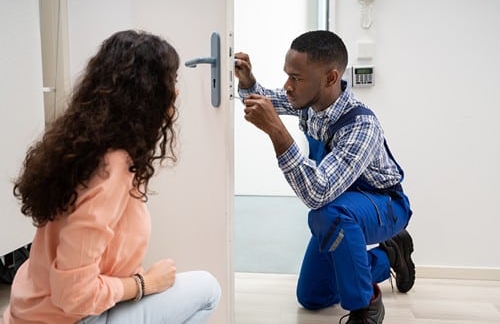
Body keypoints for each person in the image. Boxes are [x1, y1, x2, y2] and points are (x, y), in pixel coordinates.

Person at [2, 30, 221, 324]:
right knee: (208, 289)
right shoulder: (110, 169)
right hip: (65, 317)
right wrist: (144, 285)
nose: (177, 91)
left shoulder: (84, 145)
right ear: (147, 92)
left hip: (34, 309)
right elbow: (73, 295)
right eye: (172, 81)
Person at [234, 30, 415, 324]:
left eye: (297, 78)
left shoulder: (361, 125)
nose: (287, 87)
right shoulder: (308, 103)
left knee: (327, 214)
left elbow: (319, 192)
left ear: (331, 78)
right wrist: (247, 82)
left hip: (385, 205)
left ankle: (365, 308)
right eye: (287, 75)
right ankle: (389, 256)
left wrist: (277, 131)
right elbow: (265, 98)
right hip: (342, 203)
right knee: (312, 297)